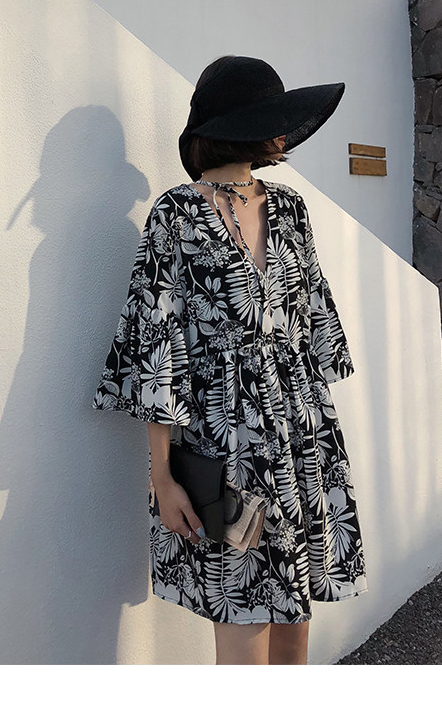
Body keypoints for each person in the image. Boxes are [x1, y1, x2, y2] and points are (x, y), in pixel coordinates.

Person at [92, 55, 367, 665]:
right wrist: (162, 476)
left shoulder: (290, 208)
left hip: (299, 434)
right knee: (244, 626)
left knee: (294, 623)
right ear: (238, 125)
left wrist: (315, 440)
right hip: (224, 441)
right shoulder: (176, 214)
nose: (282, 130)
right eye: (270, 116)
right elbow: (156, 346)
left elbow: (313, 318)